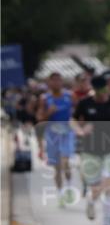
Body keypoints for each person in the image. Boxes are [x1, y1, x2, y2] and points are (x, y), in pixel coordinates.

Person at [71, 73, 110, 225]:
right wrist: (81, 131)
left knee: (109, 184)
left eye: (104, 91)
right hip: (91, 150)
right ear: (93, 90)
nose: (102, 95)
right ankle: (91, 200)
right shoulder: (85, 103)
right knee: (96, 185)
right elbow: (73, 120)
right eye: (98, 92)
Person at [37, 72, 76, 207]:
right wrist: (49, 112)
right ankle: (60, 195)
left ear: (61, 82)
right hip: (52, 134)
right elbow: (40, 118)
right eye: (53, 81)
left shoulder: (69, 96)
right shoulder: (44, 98)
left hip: (66, 132)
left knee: (65, 162)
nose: (56, 83)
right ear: (49, 83)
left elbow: (77, 113)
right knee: (57, 168)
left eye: (58, 80)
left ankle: (69, 187)